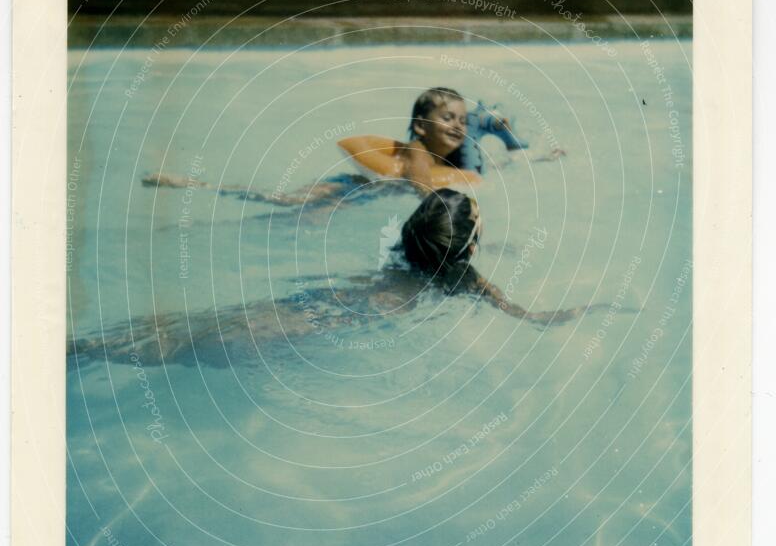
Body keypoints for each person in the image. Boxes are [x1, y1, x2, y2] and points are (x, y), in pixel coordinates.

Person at [67, 190, 594, 369]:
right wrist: (591, 309)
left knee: (195, 327)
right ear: (470, 247)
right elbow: (536, 320)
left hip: (329, 297)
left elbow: (432, 237)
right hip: (346, 320)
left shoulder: (403, 247)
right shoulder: (465, 279)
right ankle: (86, 352)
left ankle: (82, 347)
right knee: (201, 346)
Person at [140, 87, 562, 207]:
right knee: (284, 203)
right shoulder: (411, 152)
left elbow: (492, 171)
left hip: (368, 198)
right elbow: (419, 188)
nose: (458, 125)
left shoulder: (465, 162)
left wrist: (538, 155)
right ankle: (196, 185)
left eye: (463, 119)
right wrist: (416, 151)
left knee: (295, 219)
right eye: (446, 117)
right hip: (349, 187)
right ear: (420, 125)